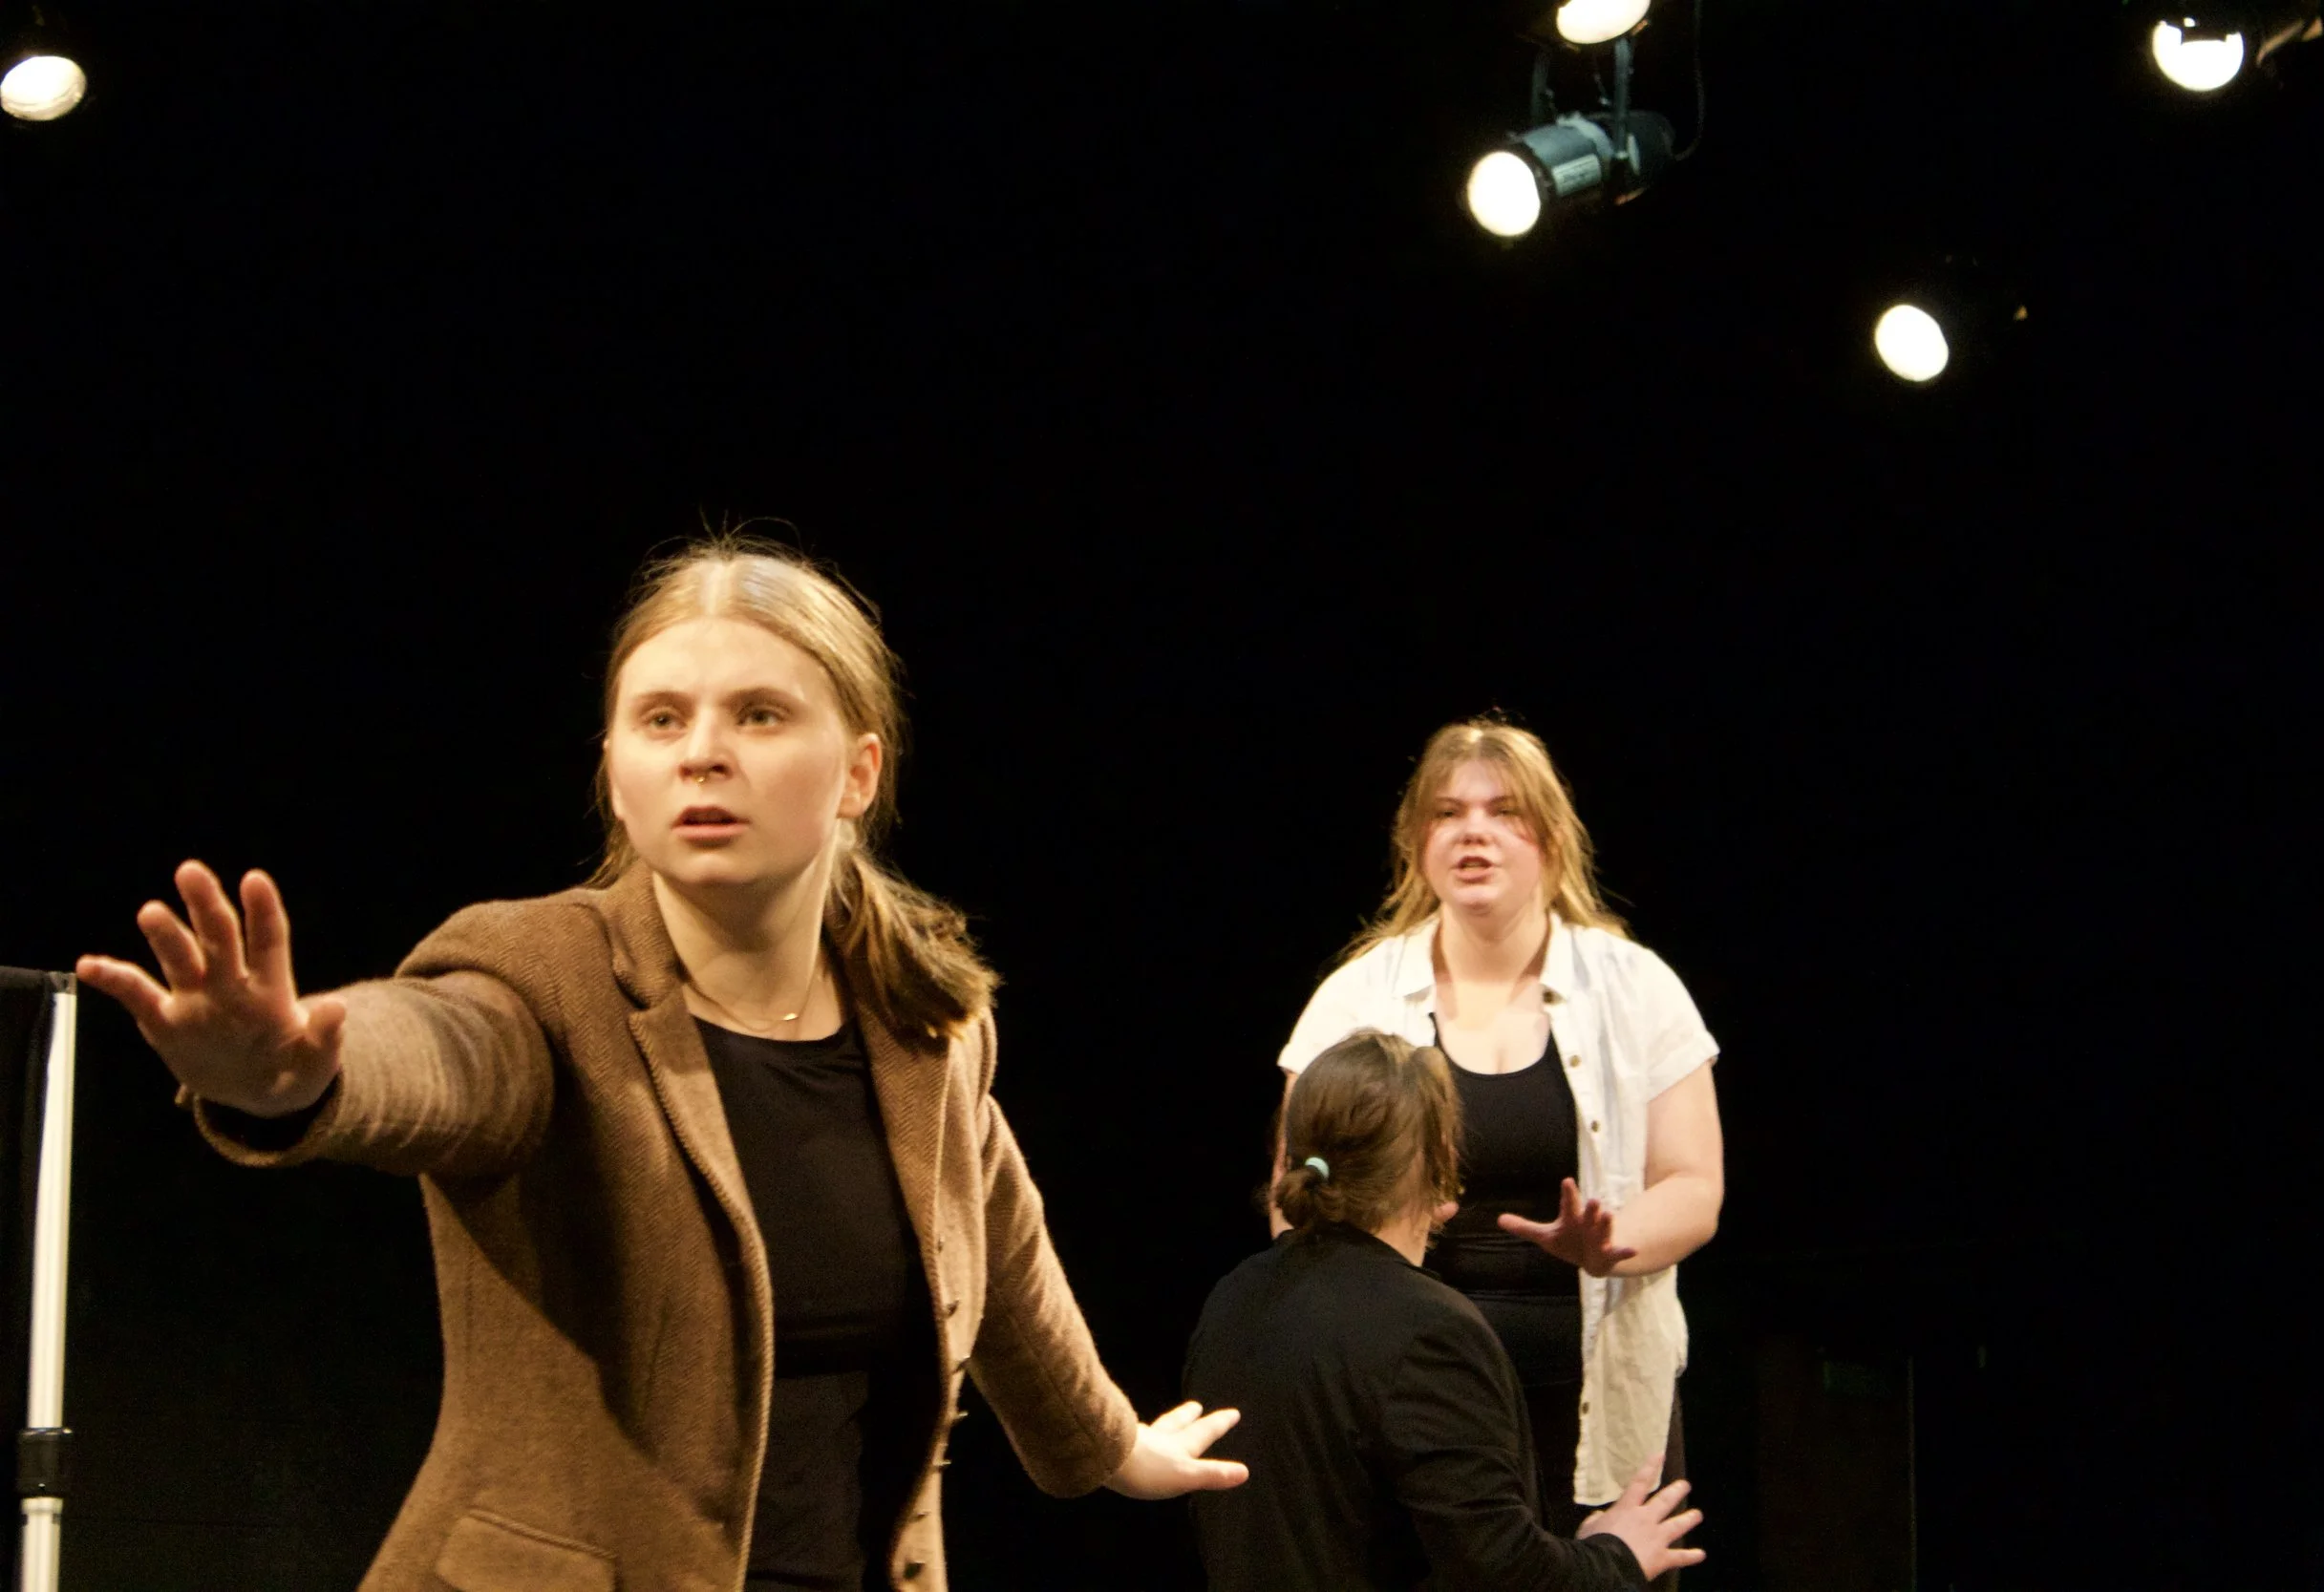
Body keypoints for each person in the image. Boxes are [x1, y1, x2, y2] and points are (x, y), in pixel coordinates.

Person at [76, 534, 1247, 1592]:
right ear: (613, 770)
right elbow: (442, 1050)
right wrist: (296, 1080)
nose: (703, 754)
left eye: (759, 715)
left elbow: (998, 1250)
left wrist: (1115, 1445)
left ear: (858, 772)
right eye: (661, 719)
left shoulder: (922, 1025)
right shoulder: (541, 975)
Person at [1270, 720, 1723, 1548]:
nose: (1472, 830)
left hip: (1603, 1397)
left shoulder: (1636, 986)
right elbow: (1297, 1197)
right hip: (1415, 1399)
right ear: (1417, 843)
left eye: (1502, 810)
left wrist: (1610, 1240)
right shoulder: (1355, 1000)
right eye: (1447, 812)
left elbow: (1694, 1185)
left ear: (1550, 836)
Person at [1188, 1029, 1703, 1591]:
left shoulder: (1234, 1297)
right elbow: (1503, 1574)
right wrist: (1617, 1556)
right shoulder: (1428, 1332)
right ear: (1443, 1163)